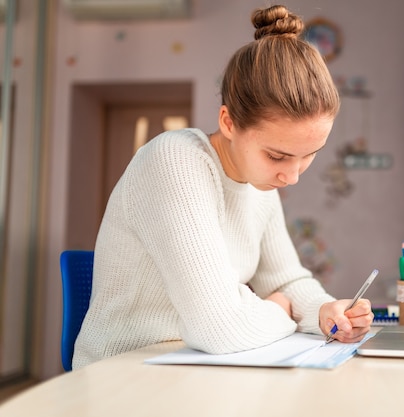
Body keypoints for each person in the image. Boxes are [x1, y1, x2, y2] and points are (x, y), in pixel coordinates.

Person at [72, 4, 374, 369]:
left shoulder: (259, 185)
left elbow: (286, 278)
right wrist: (278, 309)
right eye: (277, 156)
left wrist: (324, 310)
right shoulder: (175, 160)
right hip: (125, 373)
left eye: (309, 155)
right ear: (229, 122)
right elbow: (218, 328)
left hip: (200, 368)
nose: (292, 176)